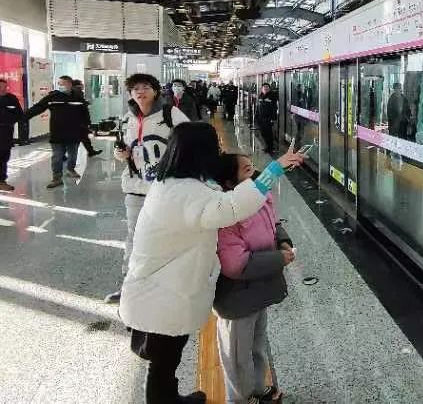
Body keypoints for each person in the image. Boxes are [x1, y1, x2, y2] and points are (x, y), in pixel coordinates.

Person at [119, 123, 304, 404]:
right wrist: (274, 170)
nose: (218, 152)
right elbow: (232, 207)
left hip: (162, 289)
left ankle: (170, 397)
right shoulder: (186, 193)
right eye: (214, 147)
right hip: (162, 294)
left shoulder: (175, 184)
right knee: (163, 360)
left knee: (165, 359)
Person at [104, 73, 191, 304]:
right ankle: (128, 286)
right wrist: (120, 154)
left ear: (155, 90)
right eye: (135, 89)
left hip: (165, 189)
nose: (140, 92)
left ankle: (168, 285)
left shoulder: (171, 114)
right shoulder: (127, 119)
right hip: (135, 187)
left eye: (145, 87)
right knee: (134, 236)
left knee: (168, 235)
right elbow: (121, 150)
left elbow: (191, 142)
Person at [214, 153, 293, 404]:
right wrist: (278, 259)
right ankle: (241, 399)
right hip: (237, 298)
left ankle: (258, 389)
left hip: (258, 291)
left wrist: (283, 240)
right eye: (247, 170)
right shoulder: (226, 213)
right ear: (229, 182)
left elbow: (273, 222)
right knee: (238, 356)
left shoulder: (259, 196)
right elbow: (235, 264)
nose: (255, 173)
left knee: (257, 346)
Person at [25, 75, 89, 188]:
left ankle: (70, 169)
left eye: (63, 84)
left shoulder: (78, 97)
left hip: (74, 132)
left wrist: (86, 125)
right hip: (57, 132)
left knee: (73, 154)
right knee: (57, 156)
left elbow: (85, 112)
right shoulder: (53, 97)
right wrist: (24, 116)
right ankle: (57, 178)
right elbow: (39, 107)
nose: (60, 86)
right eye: (59, 84)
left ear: (70, 84)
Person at [0, 79, 23, 191]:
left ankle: (1, 181)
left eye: (4, 87)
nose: (3, 89)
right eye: (0, 87)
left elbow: (19, 114)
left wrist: (9, 120)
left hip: (6, 132)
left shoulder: (12, 99)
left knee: (4, 157)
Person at [72, 80, 102, 157]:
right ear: (77, 85)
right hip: (79, 120)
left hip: (78, 120)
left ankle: (91, 151)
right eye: (81, 84)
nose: (82, 85)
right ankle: (64, 155)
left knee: (84, 137)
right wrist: (85, 103)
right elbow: (79, 105)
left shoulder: (76, 92)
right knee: (80, 137)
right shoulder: (77, 93)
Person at [255, 83, 277, 154]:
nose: (265, 88)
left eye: (267, 87)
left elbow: (274, 108)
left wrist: (273, 118)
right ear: (262, 89)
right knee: (263, 133)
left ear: (269, 89)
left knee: (269, 133)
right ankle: (267, 146)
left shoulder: (272, 96)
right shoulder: (260, 96)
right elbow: (258, 107)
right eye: (264, 87)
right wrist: (256, 116)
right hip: (260, 118)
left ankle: (271, 148)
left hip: (268, 118)